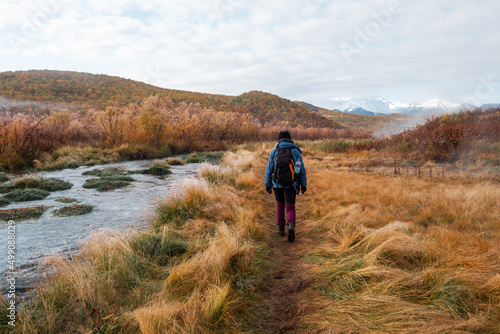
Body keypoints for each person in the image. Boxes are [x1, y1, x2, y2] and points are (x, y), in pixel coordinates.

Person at [264, 130, 307, 242]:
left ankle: (281, 229)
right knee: (290, 207)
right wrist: (303, 184)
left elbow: (269, 169)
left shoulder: (274, 151)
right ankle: (291, 225)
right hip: (292, 184)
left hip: (277, 183)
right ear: (290, 139)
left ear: (279, 139)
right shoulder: (296, 152)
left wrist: (267, 184)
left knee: (280, 205)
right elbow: (301, 169)